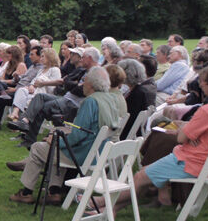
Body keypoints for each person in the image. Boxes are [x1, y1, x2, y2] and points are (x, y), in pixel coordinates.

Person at [101, 60, 208, 214]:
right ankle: (109, 210)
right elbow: (194, 134)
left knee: (140, 177)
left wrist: (186, 129)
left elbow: (180, 138)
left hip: (190, 163)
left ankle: (100, 201)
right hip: (207, 163)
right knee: (145, 172)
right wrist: (188, 130)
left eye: (203, 80)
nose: (201, 84)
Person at [8, 66, 125, 205]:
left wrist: (57, 142)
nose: (82, 85)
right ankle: (53, 191)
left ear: (92, 84)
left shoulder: (90, 102)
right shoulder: (110, 99)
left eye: (85, 81)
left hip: (83, 154)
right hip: (98, 152)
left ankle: (26, 193)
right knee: (53, 146)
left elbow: (77, 136)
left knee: (38, 148)